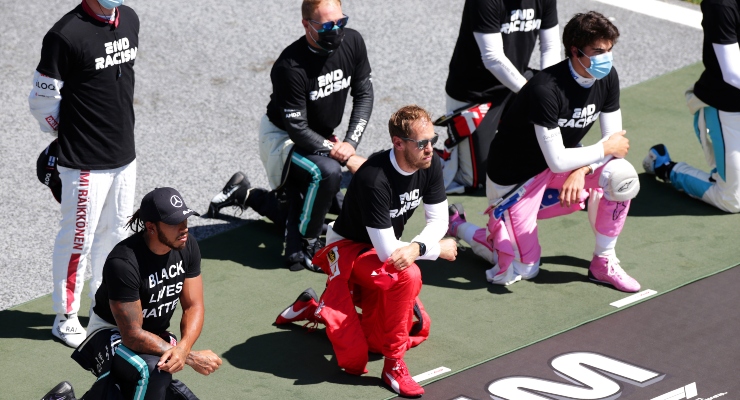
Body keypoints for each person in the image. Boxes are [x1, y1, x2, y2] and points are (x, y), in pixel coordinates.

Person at [447, 11, 642, 293]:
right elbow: (559, 158)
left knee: (621, 175)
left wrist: (582, 170)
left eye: (609, 51)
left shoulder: (608, 77)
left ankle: (604, 261)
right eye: (598, 51)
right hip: (516, 178)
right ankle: (460, 227)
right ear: (575, 52)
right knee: (523, 268)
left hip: (562, 167)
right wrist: (589, 156)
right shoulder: (546, 89)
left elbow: (615, 143)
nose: (606, 59)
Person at [274, 105, 458, 398]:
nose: (430, 149)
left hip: (381, 249)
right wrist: (434, 250)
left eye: (433, 140)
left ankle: (315, 308)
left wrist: (417, 247)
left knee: (377, 341)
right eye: (422, 143)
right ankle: (393, 366)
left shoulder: (429, 163)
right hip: (347, 248)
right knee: (408, 275)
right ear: (398, 143)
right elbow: (389, 254)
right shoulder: (375, 178)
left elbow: (438, 220)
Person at [206, 0, 373, 272]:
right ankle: (308, 244)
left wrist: (350, 146)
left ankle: (245, 194)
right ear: (306, 24)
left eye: (341, 22)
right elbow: (297, 130)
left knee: (309, 205)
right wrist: (339, 154)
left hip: (319, 135)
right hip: (283, 139)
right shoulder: (289, 66)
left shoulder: (353, 42)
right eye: (327, 25)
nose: (336, 30)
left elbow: (364, 93)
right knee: (327, 173)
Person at [28, 0, 139, 348]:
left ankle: (103, 310)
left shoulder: (130, 19)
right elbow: (41, 102)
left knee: (116, 237)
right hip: (84, 162)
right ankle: (65, 318)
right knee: (78, 241)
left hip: (124, 156)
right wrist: (68, 132)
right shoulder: (64, 35)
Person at [41, 187, 222, 400]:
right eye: (174, 223)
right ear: (151, 227)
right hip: (110, 333)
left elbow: (194, 305)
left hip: (153, 334)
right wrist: (189, 356)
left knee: (151, 376)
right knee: (154, 370)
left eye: (185, 220)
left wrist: (183, 347)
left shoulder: (186, 246)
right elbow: (132, 335)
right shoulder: (124, 262)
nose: (184, 229)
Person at [439, 0, 560, 194]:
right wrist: (533, 94)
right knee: (477, 178)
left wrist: (548, 91)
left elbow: (550, 47)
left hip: (517, 80)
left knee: (560, 95)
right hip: (476, 92)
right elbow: (492, 57)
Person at [644, 0, 740, 213]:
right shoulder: (722, 5)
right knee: (732, 199)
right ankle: (665, 167)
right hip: (725, 107)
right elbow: (732, 73)